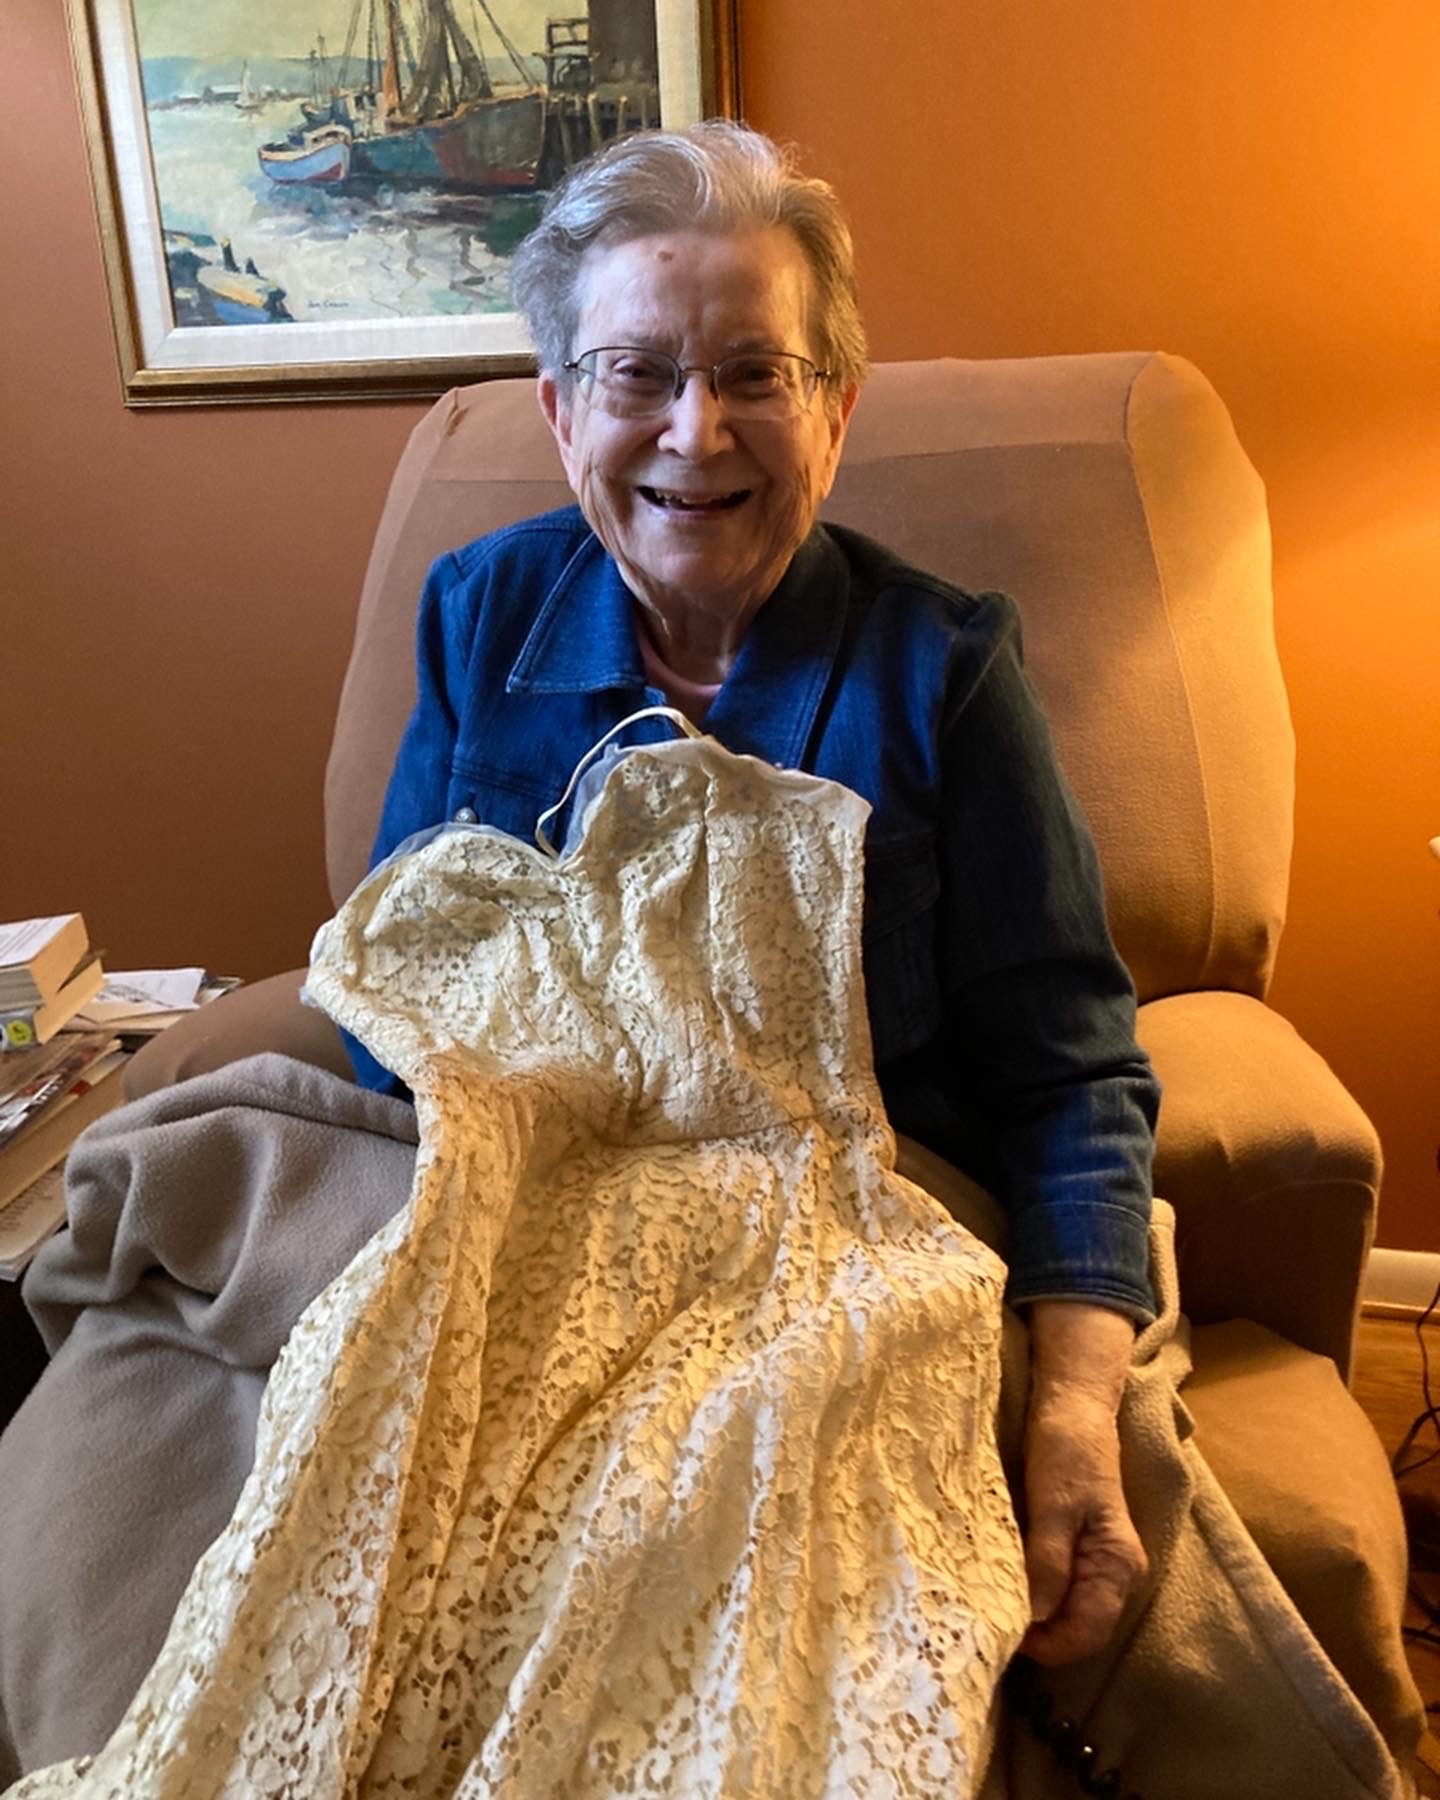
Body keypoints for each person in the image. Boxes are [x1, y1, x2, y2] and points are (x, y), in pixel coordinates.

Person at [353, 119, 1158, 1672]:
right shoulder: (480, 616)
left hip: (843, 1249)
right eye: (638, 374)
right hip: (525, 1227)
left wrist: (1074, 1406)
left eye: (753, 373)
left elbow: (1068, 1072)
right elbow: (391, 992)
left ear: (834, 411)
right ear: (561, 409)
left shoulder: (945, 669)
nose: (695, 430)